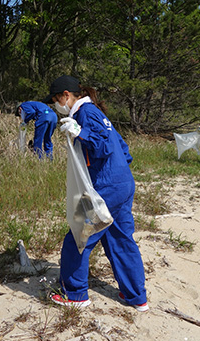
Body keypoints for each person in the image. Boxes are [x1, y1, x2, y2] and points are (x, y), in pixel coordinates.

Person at [44, 75, 148, 311]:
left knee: (79, 237)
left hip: (105, 188)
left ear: (66, 96)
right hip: (122, 183)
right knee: (119, 238)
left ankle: (76, 295)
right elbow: (123, 148)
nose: (55, 106)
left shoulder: (85, 114)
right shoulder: (98, 113)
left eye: (55, 100)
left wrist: (80, 132)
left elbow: (101, 146)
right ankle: (136, 297)